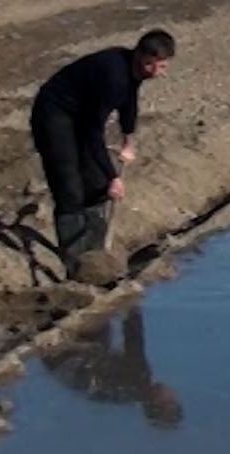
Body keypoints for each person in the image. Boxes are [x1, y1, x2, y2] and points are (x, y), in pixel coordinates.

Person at [30, 29, 175, 278]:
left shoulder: (134, 71)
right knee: (69, 186)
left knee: (97, 184)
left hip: (83, 115)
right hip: (55, 113)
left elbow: (129, 102)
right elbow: (92, 133)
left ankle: (95, 253)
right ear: (140, 56)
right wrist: (114, 176)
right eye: (152, 65)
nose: (157, 72)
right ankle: (76, 263)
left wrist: (129, 139)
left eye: (162, 66)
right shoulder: (114, 77)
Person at [40, 307, 184, 428]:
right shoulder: (128, 396)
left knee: (103, 317)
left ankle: (60, 313)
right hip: (53, 363)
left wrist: (132, 305)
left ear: (159, 401)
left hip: (62, 353)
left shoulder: (140, 378)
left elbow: (134, 338)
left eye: (172, 399)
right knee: (104, 342)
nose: (173, 393)